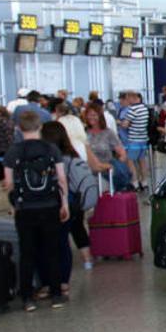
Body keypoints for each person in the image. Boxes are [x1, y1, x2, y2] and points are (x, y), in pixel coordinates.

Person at [2, 110, 70, 311]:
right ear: (40, 127)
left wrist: (14, 205)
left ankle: (27, 299)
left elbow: (8, 183)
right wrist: (64, 204)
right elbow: (61, 179)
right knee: (53, 250)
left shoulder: (13, 152)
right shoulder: (51, 149)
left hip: (25, 208)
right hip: (50, 205)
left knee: (27, 252)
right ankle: (56, 295)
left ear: (18, 128)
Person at [40, 121, 96, 290]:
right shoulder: (73, 153)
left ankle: (59, 280)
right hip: (77, 199)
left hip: (63, 202)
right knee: (78, 227)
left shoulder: (54, 158)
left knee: (60, 240)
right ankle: (87, 260)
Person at [117, 91, 151, 192]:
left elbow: (125, 125)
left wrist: (118, 122)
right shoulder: (144, 108)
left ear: (131, 98)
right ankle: (144, 182)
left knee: (130, 161)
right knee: (142, 161)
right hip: (143, 139)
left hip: (133, 139)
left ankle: (135, 182)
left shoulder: (132, 109)